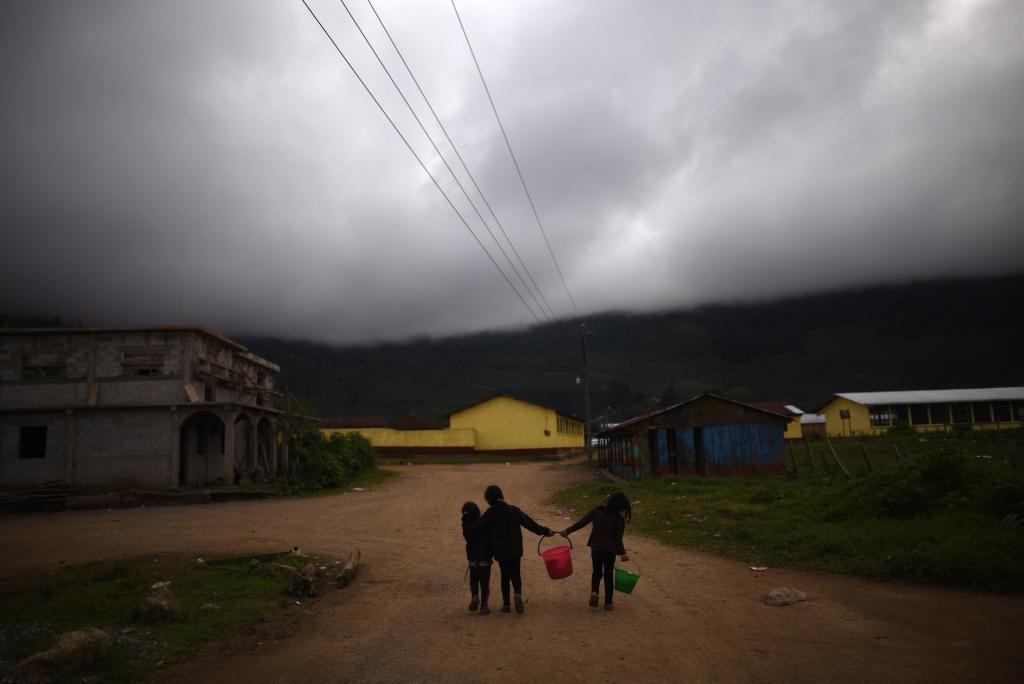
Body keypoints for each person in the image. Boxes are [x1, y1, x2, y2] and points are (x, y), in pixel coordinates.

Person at [470, 484, 553, 615]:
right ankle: (517, 594)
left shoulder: (490, 514)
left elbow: (477, 527)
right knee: (515, 574)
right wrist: (545, 531)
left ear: (489, 500)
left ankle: (506, 604)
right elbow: (530, 523)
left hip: (500, 551)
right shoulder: (513, 510)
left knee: (505, 576)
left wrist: (469, 518)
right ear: (501, 495)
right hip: (515, 549)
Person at [559, 491, 630, 610]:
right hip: (610, 551)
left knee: (596, 572)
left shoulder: (597, 511)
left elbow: (581, 523)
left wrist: (567, 531)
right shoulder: (618, 519)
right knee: (608, 575)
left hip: (596, 548)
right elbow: (618, 539)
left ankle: (594, 592)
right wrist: (623, 553)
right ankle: (608, 603)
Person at [461, 501, 492, 615]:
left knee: (474, 580)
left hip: (473, 559)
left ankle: (474, 596)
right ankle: (484, 605)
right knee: (485, 582)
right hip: (485, 559)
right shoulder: (483, 524)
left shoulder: (465, 526)